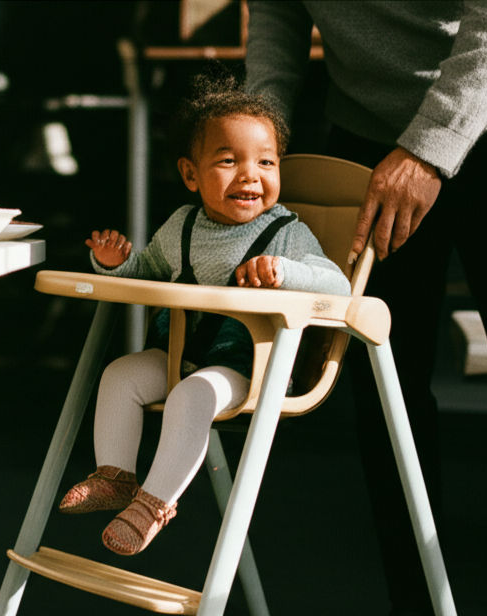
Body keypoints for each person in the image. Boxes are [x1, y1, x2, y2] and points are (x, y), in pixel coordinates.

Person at [244, 2, 487, 616]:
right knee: (387, 386)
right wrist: (262, 136)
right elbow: (276, 14)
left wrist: (428, 148)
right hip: (371, 128)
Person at [56, 73, 350, 556]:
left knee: (193, 395)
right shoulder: (181, 225)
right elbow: (147, 273)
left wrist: (287, 272)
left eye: (266, 162)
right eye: (229, 161)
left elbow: (337, 285)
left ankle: (153, 504)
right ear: (191, 175)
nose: (251, 175)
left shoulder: (285, 233)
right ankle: (115, 476)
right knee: (120, 375)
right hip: (175, 351)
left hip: (245, 367)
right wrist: (116, 264)